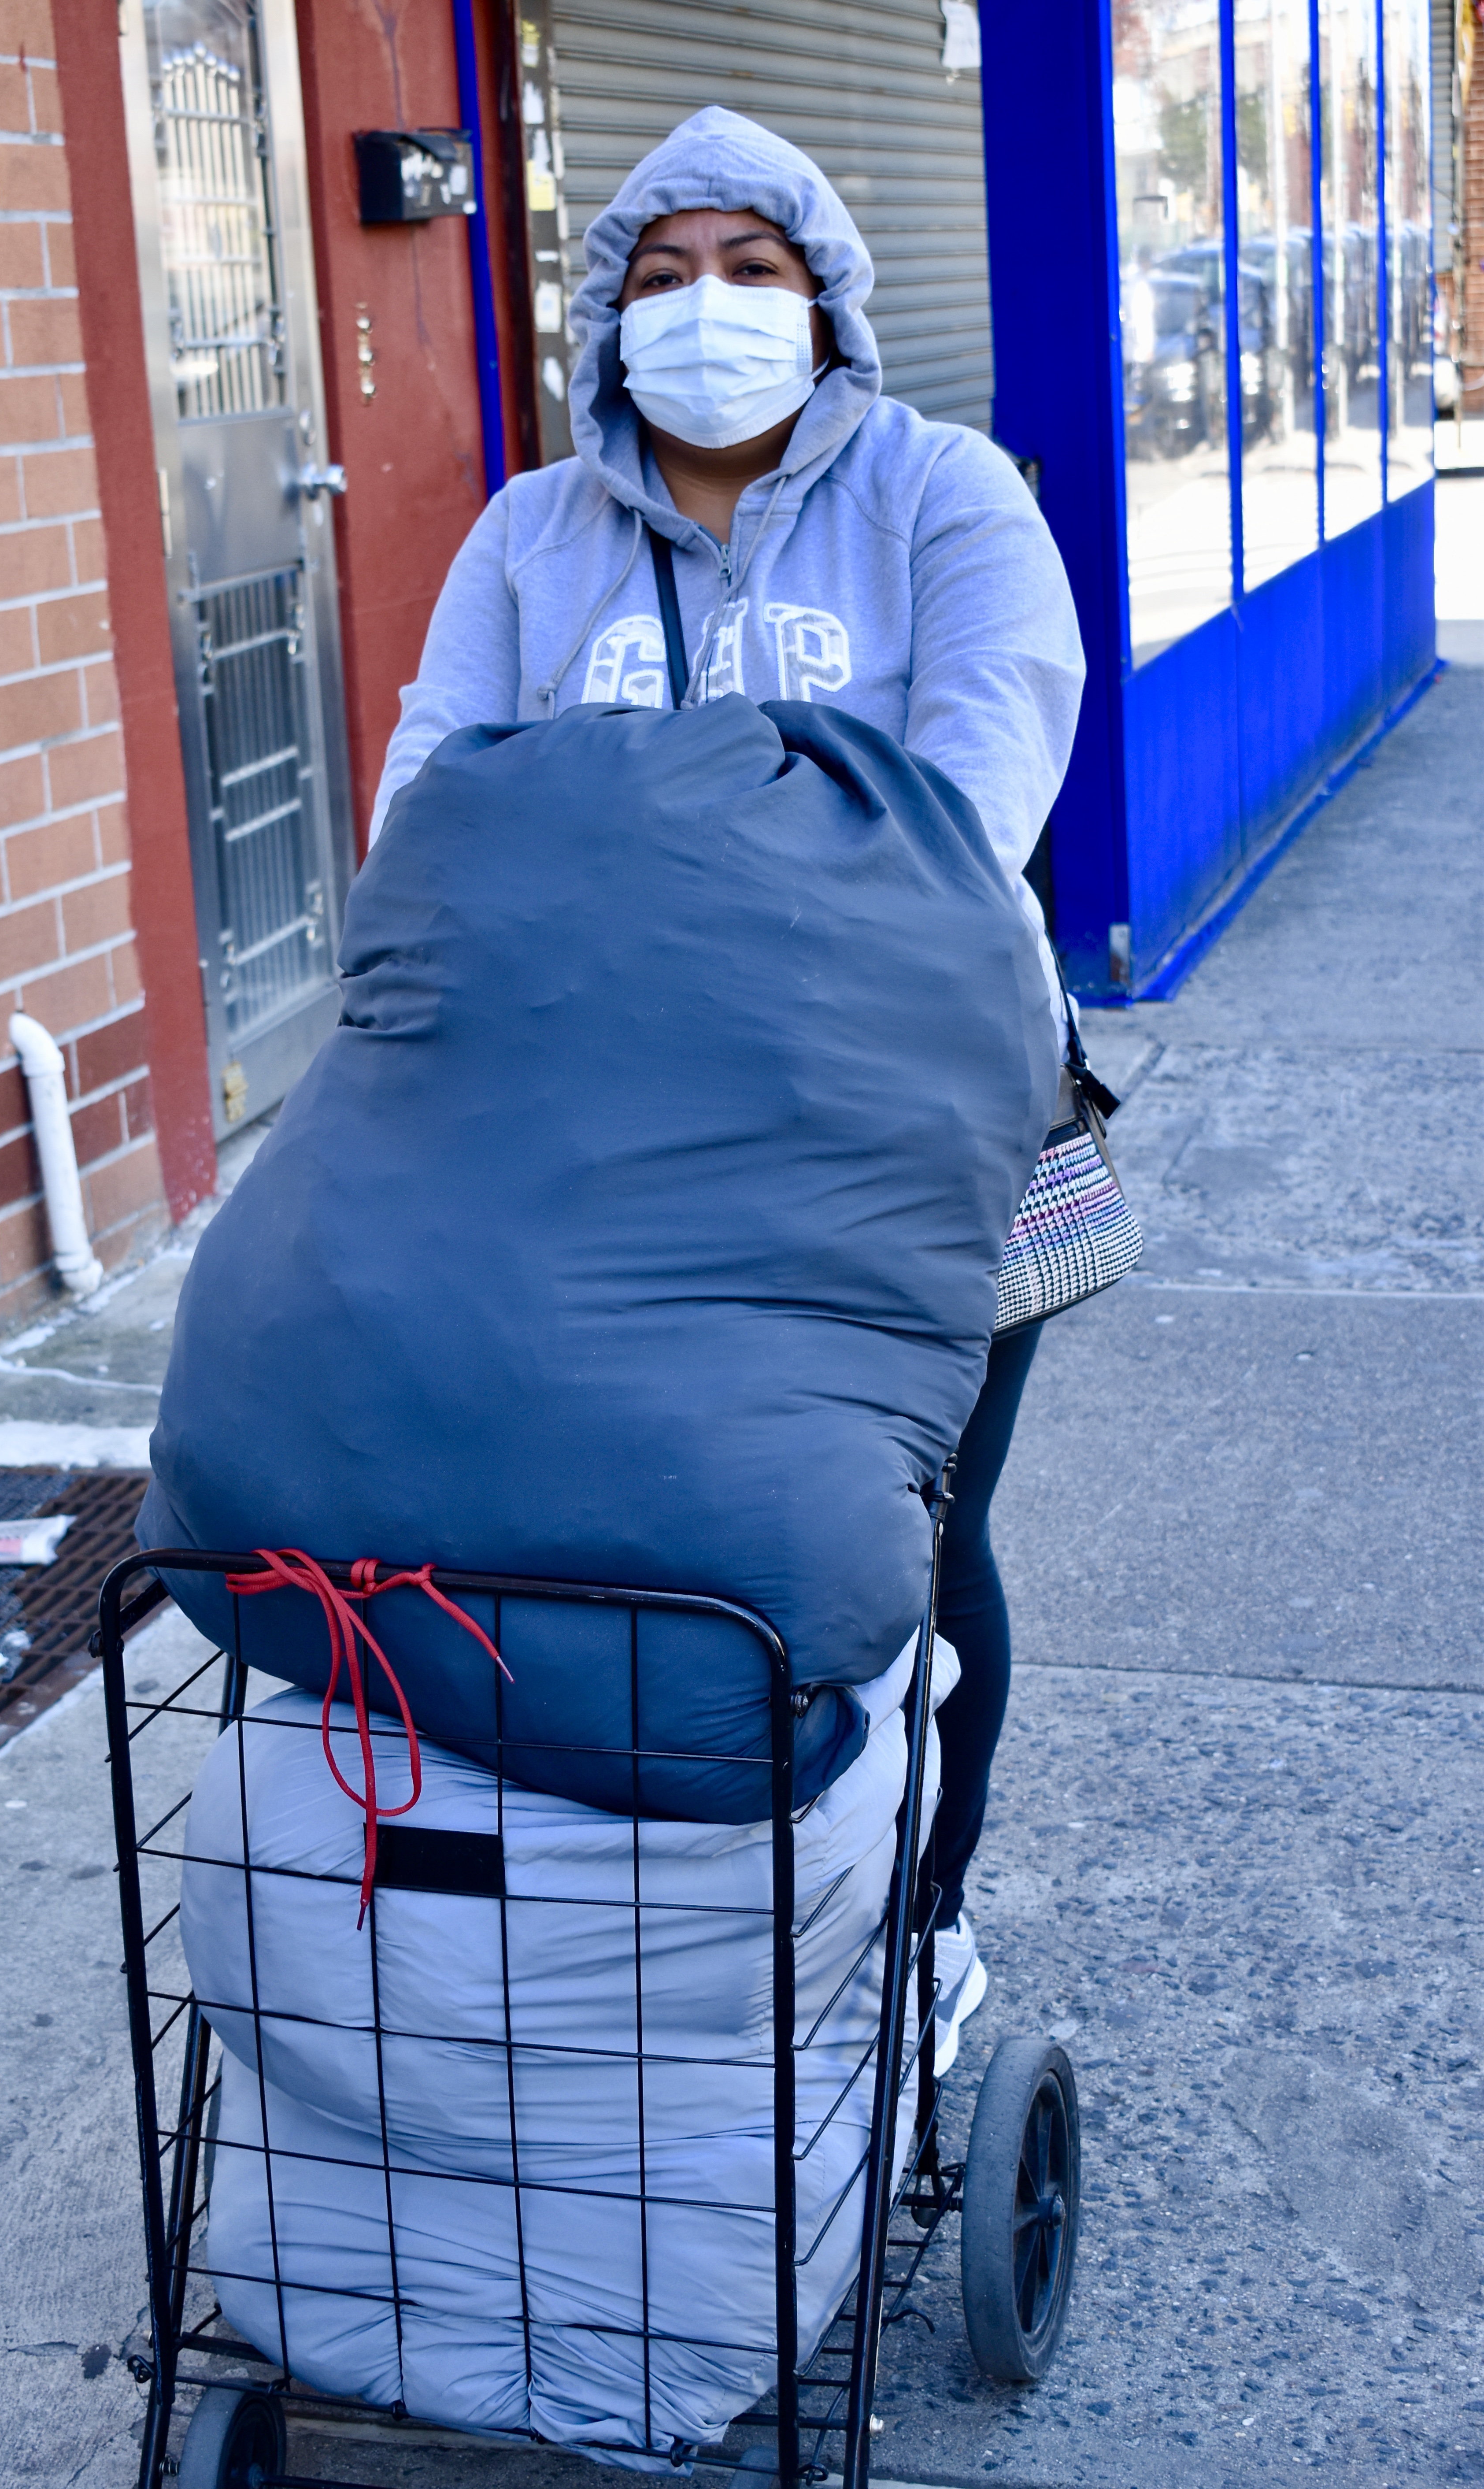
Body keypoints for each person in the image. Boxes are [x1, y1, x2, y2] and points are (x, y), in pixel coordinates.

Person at [370, 107, 1085, 2066]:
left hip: (928, 1128)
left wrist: (603, 873)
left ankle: (919, 1924)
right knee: (635, 1535)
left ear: (825, 300)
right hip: (600, 1152)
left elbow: (961, 812)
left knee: (901, 1542)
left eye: (752, 269)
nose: (708, 305)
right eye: (665, 273)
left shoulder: (943, 501)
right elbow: (429, 814)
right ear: (608, 316)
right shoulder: (533, 538)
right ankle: (694, 1933)